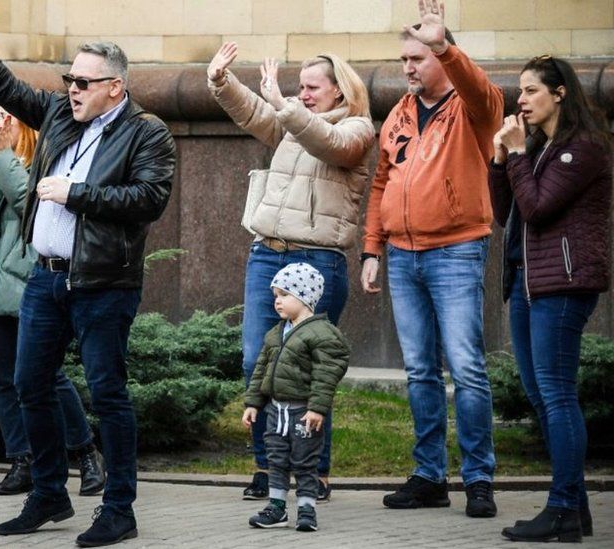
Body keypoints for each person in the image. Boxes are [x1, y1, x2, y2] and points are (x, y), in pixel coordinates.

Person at [0, 1, 176, 545]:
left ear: (114, 88)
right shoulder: (58, 113)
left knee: (107, 394)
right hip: (45, 278)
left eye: (83, 81)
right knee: (30, 384)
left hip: (102, 283)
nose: (72, 89)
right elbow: (8, 90)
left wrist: (77, 194)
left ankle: (119, 508)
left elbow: (149, 198)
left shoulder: (147, 133)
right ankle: (50, 493)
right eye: (69, 79)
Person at [207, 41, 374, 502]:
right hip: (268, 254)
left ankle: (314, 471)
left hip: (317, 260)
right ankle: (268, 468)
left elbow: (328, 143)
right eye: (299, 87)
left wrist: (285, 106)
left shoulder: (357, 128)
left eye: (312, 87)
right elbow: (255, 113)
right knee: (257, 363)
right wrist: (222, 81)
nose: (303, 94)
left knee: (308, 369)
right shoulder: (290, 122)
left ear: (339, 92)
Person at [360, 0, 503, 518]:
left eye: (418, 58)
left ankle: (479, 478)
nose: (408, 68)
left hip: (457, 250)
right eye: (404, 60)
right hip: (402, 254)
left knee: (466, 368)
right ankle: (429, 476)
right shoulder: (399, 112)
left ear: (444, 58)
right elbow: (382, 181)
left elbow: (487, 96)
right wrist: (372, 248)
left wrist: (446, 43)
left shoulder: (472, 108)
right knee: (420, 371)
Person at [0, 110, 106, 497]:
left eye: (11, 115)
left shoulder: (44, 165)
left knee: (46, 376)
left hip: (25, 285)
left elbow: (27, 202)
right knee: (3, 382)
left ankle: (85, 451)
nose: (1, 121)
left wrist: (1, 160)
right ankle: (22, 459)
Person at [491, 55, 611, 543]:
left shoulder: (582, 149)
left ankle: (562, 508)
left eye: (531, 91)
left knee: (558, 396)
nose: (520, 101)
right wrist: (502, 160)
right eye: (519, 92)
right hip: (528, 282)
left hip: (562, 287)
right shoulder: (538, 146)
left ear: (559, 93)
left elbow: (539, 208)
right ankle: (574, 510)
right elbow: (508, 213)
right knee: (543, 396)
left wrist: (518, 155)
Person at [242, 262, 349, 532]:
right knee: (275, 459)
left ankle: (306, 509)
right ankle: (277, 508)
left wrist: (317, 408)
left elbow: (327, 374)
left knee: (304, 462)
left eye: (284, 295)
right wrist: (253, 403)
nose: (277, 302)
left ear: (304, 297)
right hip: (276, 412)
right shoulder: (275, 333)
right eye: (276, 296)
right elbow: (261, 370)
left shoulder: (322, 333)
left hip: (303, 414)